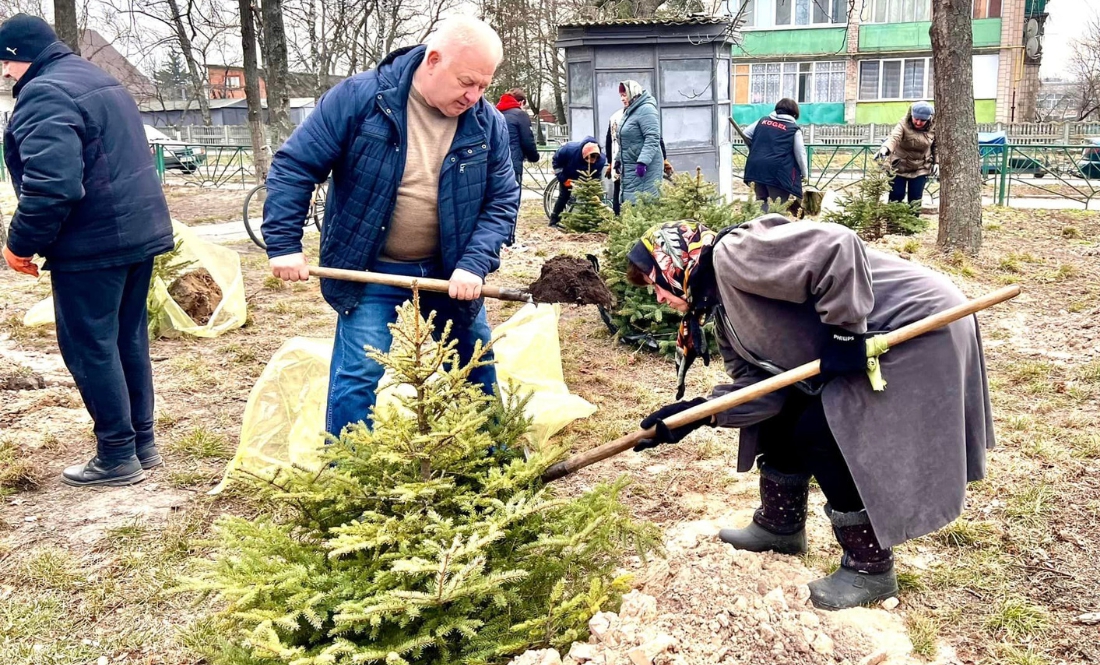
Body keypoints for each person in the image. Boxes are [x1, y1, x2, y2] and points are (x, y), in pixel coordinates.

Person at [624, 217, 995, 610]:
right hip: (868, 334)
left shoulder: (734, 255)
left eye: (653, 284)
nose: (658, 298)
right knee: (785, 416)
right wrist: (697, 414)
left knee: (823, 433)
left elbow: (836, 246)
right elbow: (764, 393)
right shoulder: (724, 314)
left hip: (915, 322)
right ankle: (779, 527)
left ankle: (870, 569)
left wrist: (844, 332)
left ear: (673, 261)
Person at [262, 16, 519, 436]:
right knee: (358, 375)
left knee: (476, 364)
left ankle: (496, 466)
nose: (474, 96)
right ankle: (348, 477)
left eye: (484, 86)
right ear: (433, 60)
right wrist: (284, 244)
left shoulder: (485, 122)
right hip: (369, 266)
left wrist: (473, 264)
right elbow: (295, 166)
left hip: (450, 268)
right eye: (466, 82)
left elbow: (502, 200)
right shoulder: (361, 99)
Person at [0, 14, 174, 487]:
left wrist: (18, 243)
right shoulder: (99, 80)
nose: (6, 75)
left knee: (90, 346)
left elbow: (53, 186)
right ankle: (141, 442)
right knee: (125, 338)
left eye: (5, 65)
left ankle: (116, 455)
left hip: (94, 243)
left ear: (17, 58)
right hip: (138, 234)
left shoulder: (44, 93)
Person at [742, 98, 808, 214]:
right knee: (777, 206)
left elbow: (746, 133)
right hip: (778, 173)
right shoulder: (793, 129)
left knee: (761, 202)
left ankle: (759, 228)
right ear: (794, 113)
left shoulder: (762, 121)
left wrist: (757, 149)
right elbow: (800, 153)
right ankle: (775, 229)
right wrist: (804, 173)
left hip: (756, 168)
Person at [605, 107, 673, 216]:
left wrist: (611, 162)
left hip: (624, 161)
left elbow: (610, 141)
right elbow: (656, 139)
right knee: (639, 195)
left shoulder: (615, 116)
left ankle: (621, 220)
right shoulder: (641, 115)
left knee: (621, 194)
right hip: (631, 162)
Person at [876, 101, 935, 211]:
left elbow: (937, 146)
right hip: (899, 167)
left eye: (922, 120)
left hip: (921, 168)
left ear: (929, 119)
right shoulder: (903, 124)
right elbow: (894, 137)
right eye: (916, 118)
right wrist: (885, 149)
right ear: (911, 115)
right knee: (896, 196)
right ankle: (892, 226)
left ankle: (912, 227)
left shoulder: (934, 128)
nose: (918, 122)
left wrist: (937, 162)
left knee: (915, 200)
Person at [616, 80, 663, 204]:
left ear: (633, 93)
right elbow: (625, 138)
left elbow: (652, 137)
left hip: (644, 168)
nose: (622, 99)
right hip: (630, 166)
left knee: (642, 204)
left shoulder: (646, 109)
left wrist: (643, 162)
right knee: (631, 204)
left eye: (624, 95)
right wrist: (617, 159)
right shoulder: (630, 111)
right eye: (621, 95)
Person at [548, 138, 606, 228]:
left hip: (586, 174)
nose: (593, 160)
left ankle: (595, 221)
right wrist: (563, 179)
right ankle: (554, 221)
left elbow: (596, 175)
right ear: (584, 155)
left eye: (596, 158)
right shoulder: (568, 150)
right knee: (564, 196)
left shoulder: (601, 161)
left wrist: (593, 187)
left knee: (594, 197)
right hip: (568, 172)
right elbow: (556, 163)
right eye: (591, 157)